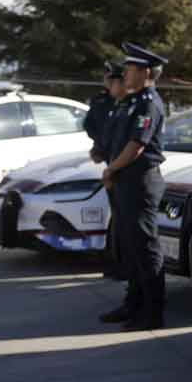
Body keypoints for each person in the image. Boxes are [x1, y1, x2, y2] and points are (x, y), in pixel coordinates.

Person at [98, 42, 169, 332]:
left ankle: (152, 312)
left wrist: (112, 168)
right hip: (124, 180)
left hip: (140, 180)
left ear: (147, 72)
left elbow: (136, 145)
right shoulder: (130, 101)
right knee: (129, 246)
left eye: (131, 69)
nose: (126, 74)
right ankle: (133, 303)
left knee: (144, 246)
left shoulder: (148, 103)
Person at [86, 61, 128, 280]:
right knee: (117, 216)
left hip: (124, 166)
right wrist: (100, 147)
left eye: (114, 79)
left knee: (126, 219)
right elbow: (91, 126)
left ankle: (124, 265)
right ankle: (117, 261)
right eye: (108, 79)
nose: (110, 83)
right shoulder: (106, 102)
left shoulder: (131, 105)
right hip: (112, 161)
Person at [85, 61, 125, 164]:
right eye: (107, 77)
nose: (109, 81)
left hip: (121, 153)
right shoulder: (99, 99)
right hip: (102, 150)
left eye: (112, 79)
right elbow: (88, 124)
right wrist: (100, 142)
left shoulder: (128, 102)